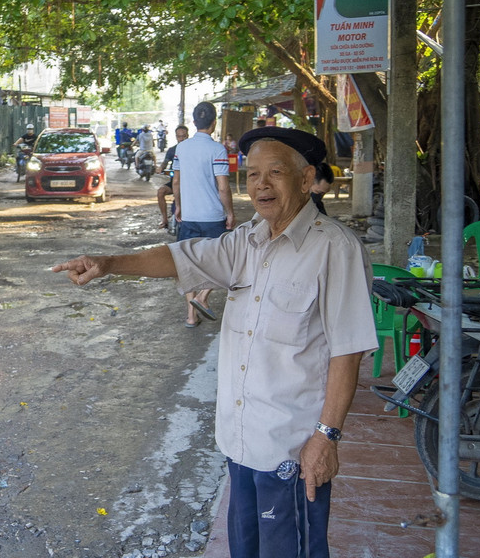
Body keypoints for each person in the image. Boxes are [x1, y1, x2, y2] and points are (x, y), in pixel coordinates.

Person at [53, 126, 377, 558]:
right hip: (240, 441)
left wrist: (326, 437)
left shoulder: (336, 249)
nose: (260, 184)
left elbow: (348, 350)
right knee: (245, 550)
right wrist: (110, 262)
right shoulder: (247, 240)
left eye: (275, 172)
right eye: (252, 173)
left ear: (304, 179)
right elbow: (182, 257)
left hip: (292, 449)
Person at [172, 102, 234, 328]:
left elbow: (176, 181)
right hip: (213, 216)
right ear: (214, 122)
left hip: (189, 216)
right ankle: (202, 297)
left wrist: (178, 206)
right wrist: (229, 212)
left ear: (194, 122)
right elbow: (223, 188)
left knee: (187, 265)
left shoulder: (182, 148)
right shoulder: (217, 149)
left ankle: (191, 316)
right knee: (225, 260)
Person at [157, 125, 189, 229]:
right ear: (176, 137)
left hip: (190, 183)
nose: (182, 139)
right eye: (179, 136)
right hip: (175, 182)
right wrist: (160, 168)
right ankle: (165, 219)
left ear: (188, 136)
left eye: (184, 136)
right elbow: (165, 163)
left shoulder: (192, 149)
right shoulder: (172, 150)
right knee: (160, 192)